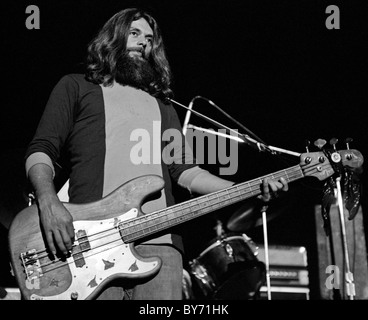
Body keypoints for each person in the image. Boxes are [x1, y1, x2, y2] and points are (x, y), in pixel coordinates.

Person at [24, 7, 288, 300]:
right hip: (93, 243)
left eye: (149, 39)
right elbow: (42, 150)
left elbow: (186, 172)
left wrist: (244, 190)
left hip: (160, 245)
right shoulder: (75, 86)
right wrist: (49, 203)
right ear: (114, 36)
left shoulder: (164, 105)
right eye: (134, 34)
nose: (143, 43)